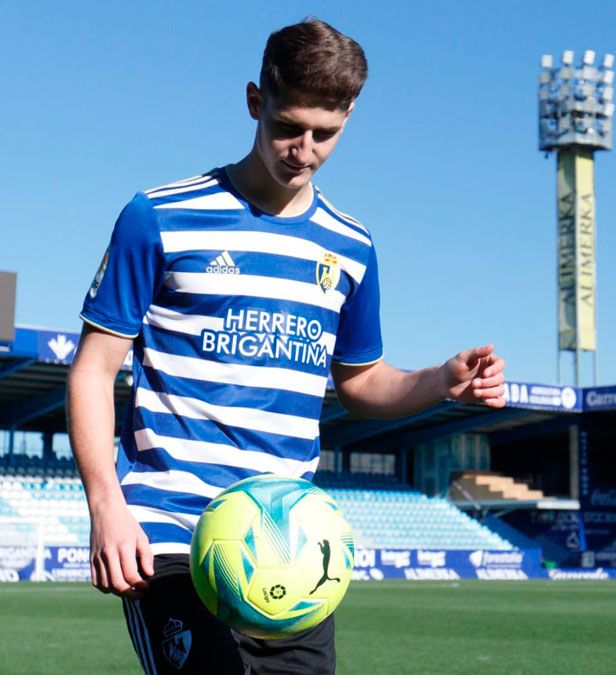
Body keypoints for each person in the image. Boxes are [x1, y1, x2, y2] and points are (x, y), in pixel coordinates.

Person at [67, 18, 506, 674]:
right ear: (255, 101)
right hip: (173, 536)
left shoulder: (351, 245)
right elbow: (93, 370)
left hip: (295, 544)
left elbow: (360, 384)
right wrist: (106, 502)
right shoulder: (157, 216)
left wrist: (439, 380)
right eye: (287, 126)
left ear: (350, 116)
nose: (303, 148)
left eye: (324, 133)